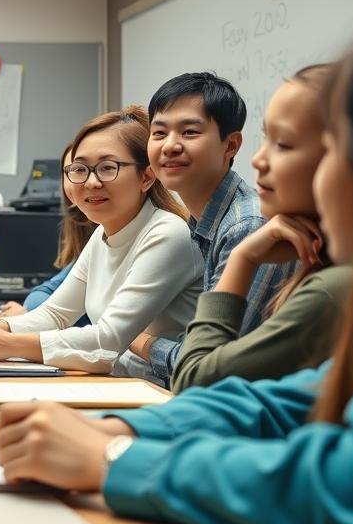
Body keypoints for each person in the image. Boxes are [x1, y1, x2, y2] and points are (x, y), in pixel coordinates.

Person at [0, 0, 353, 524]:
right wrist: (121, 430)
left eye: (327, 148)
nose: (261, 163)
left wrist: (114, 457)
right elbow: (293, 399)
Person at [0, 107, 201, 381]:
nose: (91, 182)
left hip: (161, 392)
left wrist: (8, 344)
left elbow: (108, 339)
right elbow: (56, 313)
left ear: (146, 177)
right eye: (80, 169)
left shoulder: (167, 233)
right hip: (115, 384)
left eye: (108, 168)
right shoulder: (102, 234)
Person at [169, 64, 353, 392]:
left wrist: (242, 258)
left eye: (283, 144)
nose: (258, 159)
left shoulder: (331, 286)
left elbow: (195, 382)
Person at [125, 73, 295, 383]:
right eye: (159, 133)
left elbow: (211, 367)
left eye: (189, 132)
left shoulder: (247, 225)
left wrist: (141, 341)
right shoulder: (203, 221)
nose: (170, 146)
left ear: (231, 145)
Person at [0, 145, 96, 321]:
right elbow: (43, 293)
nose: (90, 182)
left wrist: (28, 314)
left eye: (106, 168)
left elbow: (66, 316)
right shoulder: (96, 240)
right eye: (75, 172)